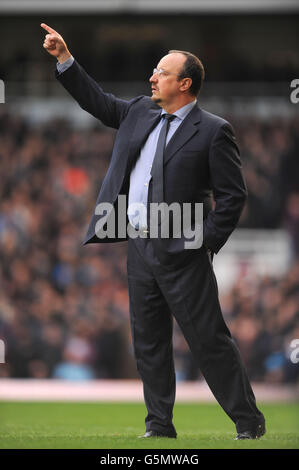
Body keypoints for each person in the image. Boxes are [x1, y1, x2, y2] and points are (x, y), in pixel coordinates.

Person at [41, 23, 266, 440]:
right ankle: (159, 426)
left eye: (161, 72)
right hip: (140, 246)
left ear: (184, 83)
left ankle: (248, 421)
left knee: (208, 340)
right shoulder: (139, 111)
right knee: (149, 343)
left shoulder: (215, 130)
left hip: (184, 249)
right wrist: (65, 60)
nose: (152, 77)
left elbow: (232, 199)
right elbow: (97, 101)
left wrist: (201, 243)